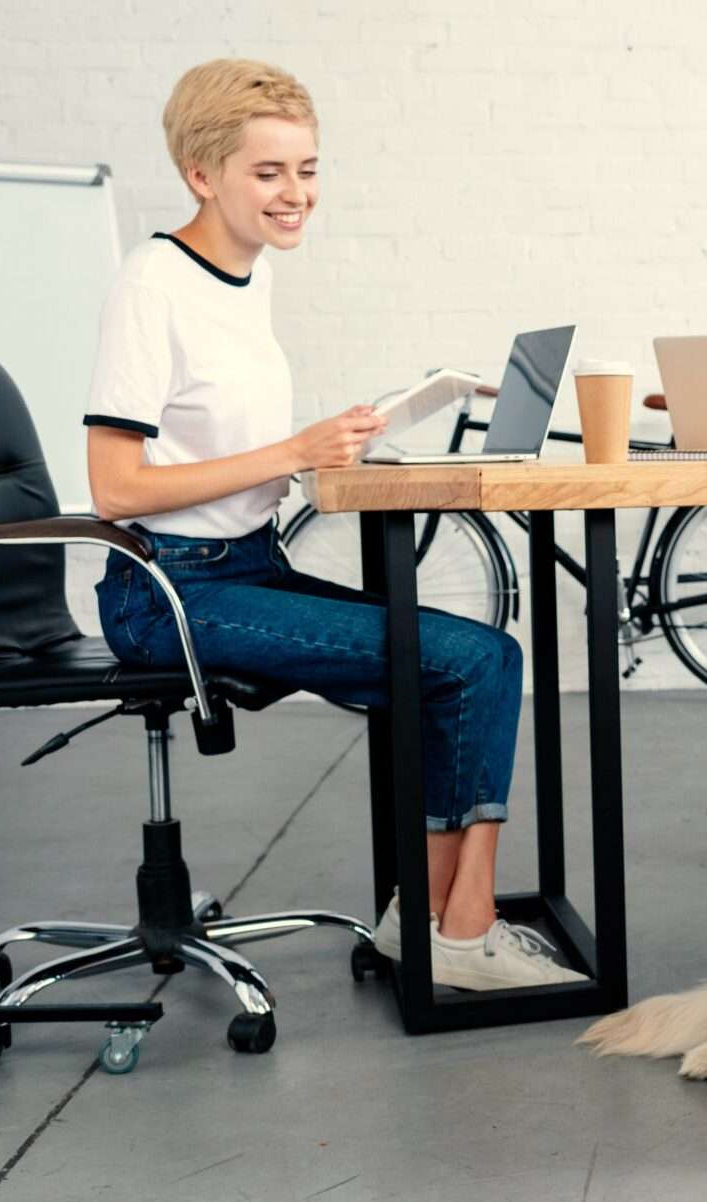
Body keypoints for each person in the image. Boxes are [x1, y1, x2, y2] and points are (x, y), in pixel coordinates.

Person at [84, 59, 576, 990]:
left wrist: (345, 436)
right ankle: (454, 931)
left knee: (476, 658)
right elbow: (114, 487)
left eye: (307, 169)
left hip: (245, 563)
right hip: (172, 591)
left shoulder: (245, 278)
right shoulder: (154, 283)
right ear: (202, 174)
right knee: (471, 662)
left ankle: (430, 922)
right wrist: (291, 450)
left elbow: (216, 444)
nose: (296, 193)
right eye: (269, 173)